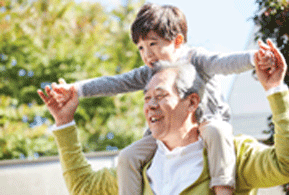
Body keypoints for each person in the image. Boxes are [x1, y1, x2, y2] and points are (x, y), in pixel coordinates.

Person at [50, 3, 276, 195]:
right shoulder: (150, 73)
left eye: (152, 44)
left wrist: (253, 58)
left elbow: (225, 63)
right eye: (140, 47)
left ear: (177, 41)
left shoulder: (197, 59)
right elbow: (116, 82)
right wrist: (77, 89)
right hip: (167, 135)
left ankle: (222, 188)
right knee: (128, 156)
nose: (147, 54)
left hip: (206, 123)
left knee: (218, 132)